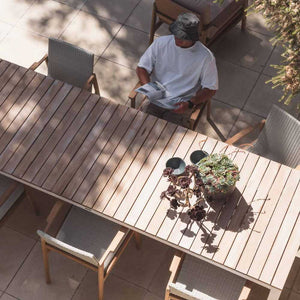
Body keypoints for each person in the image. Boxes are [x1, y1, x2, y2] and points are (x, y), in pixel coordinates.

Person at [136, 12, 218, 126]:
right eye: (176, 34)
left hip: (181, 104)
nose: (178, 38)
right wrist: (149, 89)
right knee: (138, 129)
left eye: (183, 36)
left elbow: (211, 89)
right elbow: (142, 68)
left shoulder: (205, 57)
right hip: (156, 98)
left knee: (169, 138)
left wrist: (190, 103)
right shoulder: (161, 43)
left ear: (193, 37)